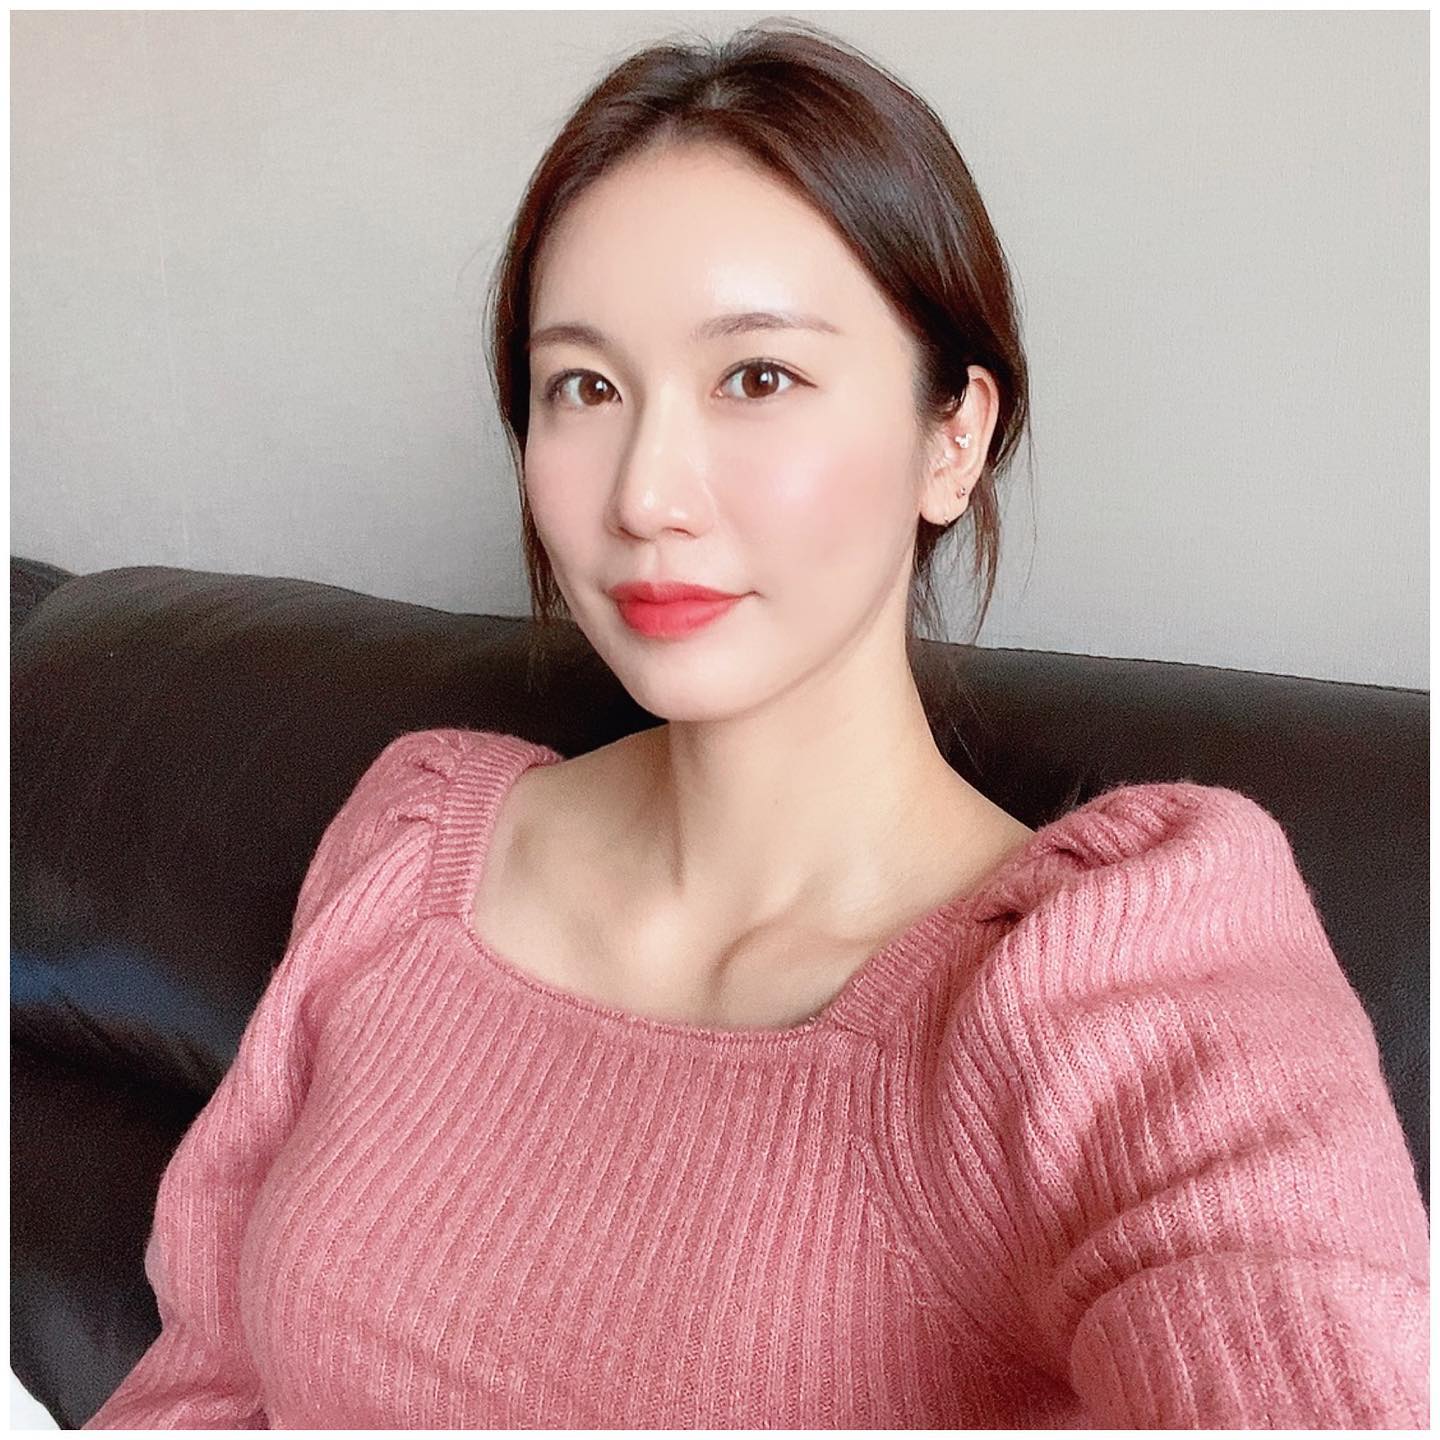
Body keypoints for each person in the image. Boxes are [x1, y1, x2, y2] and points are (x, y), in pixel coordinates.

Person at [83, 17, 1428, 1430]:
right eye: (585, 387)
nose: (644, 494)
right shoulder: (411, 848)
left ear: (953, 437)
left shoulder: (1119, 982)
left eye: (758, 377)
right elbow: (203, 1382)